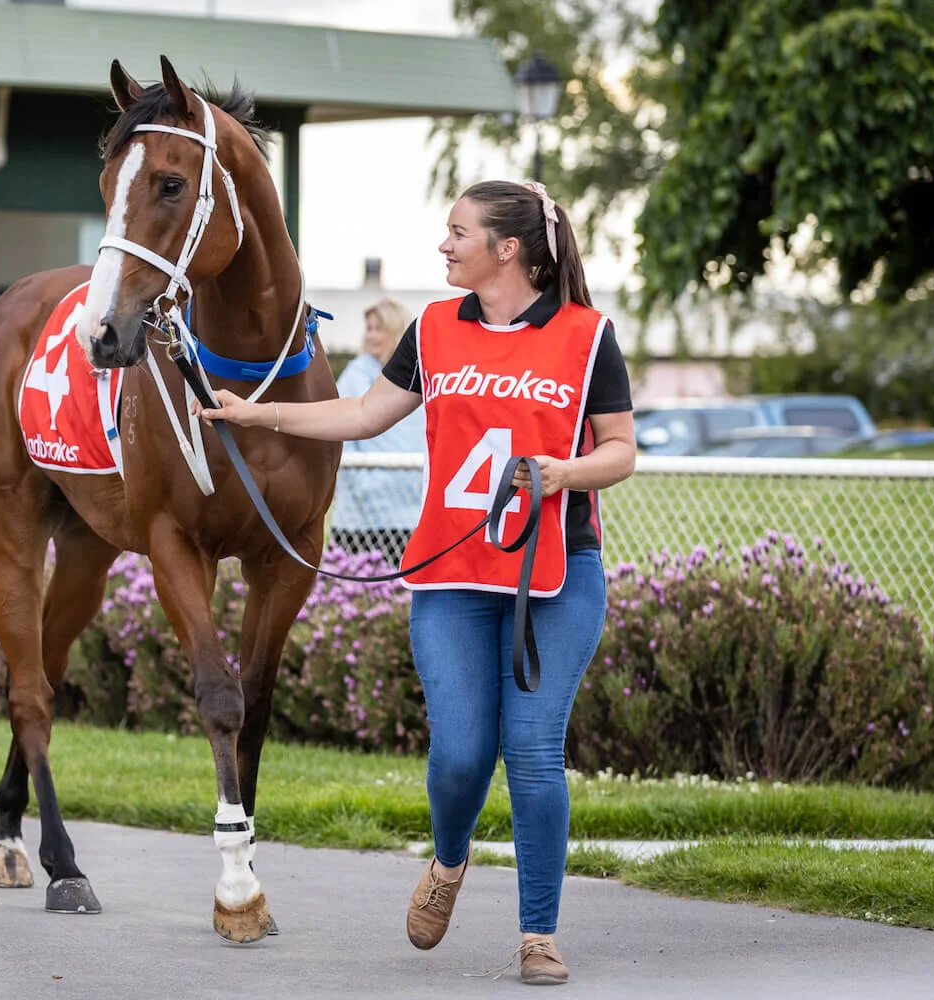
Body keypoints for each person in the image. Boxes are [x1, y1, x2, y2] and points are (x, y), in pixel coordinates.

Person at [196, 180, 635, 985]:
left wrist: (562, 473)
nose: (444, 245)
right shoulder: (433, 329)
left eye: (458, 232)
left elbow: (621, 451)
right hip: (453, 573)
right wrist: (256, 413)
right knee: (461, 754)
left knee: (532, 751)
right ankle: (448, 860)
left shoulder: (587, 335)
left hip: (556, 573)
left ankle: (538, 934)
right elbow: (364, 414)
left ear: (508, 249)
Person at [330, 299, 425, 567]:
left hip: (410, 512)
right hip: (359, 515)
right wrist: (366, 486)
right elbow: (342, 431)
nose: (371, 335)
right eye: (369, 328)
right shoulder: (354, 375)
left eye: (379, 328)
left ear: (396, 330)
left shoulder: (420, 373)